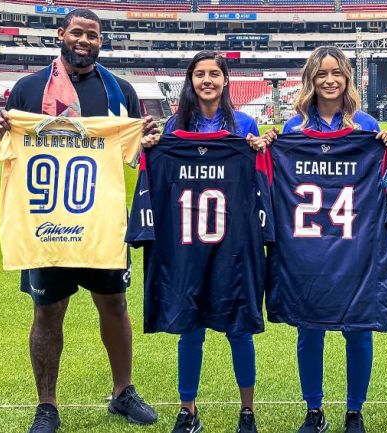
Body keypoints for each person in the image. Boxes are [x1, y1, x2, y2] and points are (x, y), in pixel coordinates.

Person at [0, 9, 158, 433]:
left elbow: (133, 155)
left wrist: (147, 141)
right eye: (77, 32)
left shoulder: (120, 90)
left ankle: (123, 392)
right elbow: (6, 146)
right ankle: (47, 405)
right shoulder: (28, 89)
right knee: (47, 312)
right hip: (46, 225)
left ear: (102, 41)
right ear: (61, 34)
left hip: (101, 225)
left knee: (115, 306)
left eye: (93, 35)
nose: (85, 40)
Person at [141, 51, 272, 433]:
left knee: (239, 328)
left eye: (214, 73)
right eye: (200, 74)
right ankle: (188, 409)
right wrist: (148, 149)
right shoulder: (174, 124)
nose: (207, 80)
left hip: (232, 243)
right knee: (190, 328)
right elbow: (156, 173)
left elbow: (259, 178)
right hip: (186, 242)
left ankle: (246, 410)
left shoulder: (243, 123)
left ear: (226, 80)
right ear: (190, 80)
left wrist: (260, 150)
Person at [282, 45, 387, 433]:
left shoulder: (366, 126)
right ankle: (314, 410)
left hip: (356, 247)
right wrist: (263, 149)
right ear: (310, 80)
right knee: (308, 328)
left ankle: (354, 410)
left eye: (337, 73)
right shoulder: (292, 130)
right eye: (321, 74)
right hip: (308, 248)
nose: (329, 80)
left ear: (347, 78)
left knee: (358, 329)